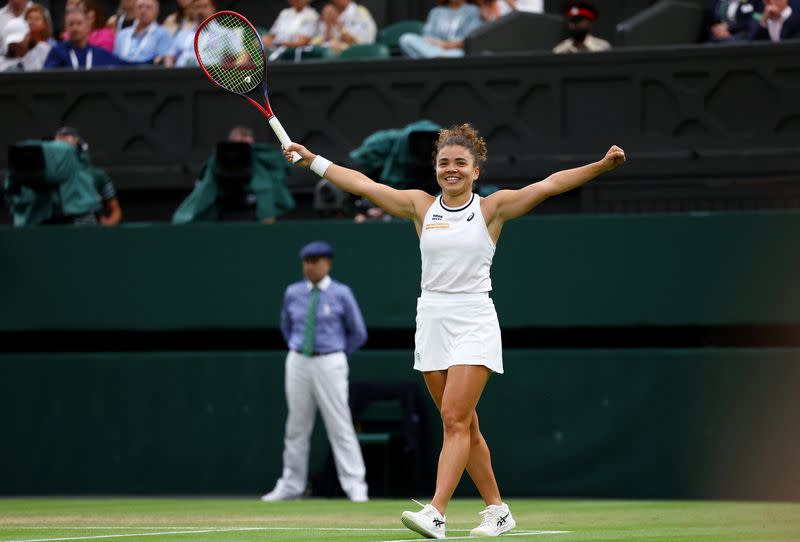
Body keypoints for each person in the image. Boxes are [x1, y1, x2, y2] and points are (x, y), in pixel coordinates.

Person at [280, 124, 626, 538]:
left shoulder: (492, 209)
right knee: (465, 425)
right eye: (444, 163)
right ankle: (497, 510)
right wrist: (311, 160)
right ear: (435, 169)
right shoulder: (420, 207)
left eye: (461, 163)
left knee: (453, 418)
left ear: (476, 170)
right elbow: (362, 184)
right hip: (431, 318)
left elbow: (549, 185)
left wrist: (602, 166)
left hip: (474, 317)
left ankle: (437, 511)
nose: (451, 169)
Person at [261, 240, 369, 503]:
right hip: (298, 360)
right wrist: (297, 348)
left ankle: (355, 486)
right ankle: (290, 485)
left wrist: (338, 354)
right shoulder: (292, 292)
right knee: (296, 425)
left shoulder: (342, 293)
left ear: (327, 263)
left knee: (340, 424)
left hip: (330, 361)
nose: (310, 266)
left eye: (315, 261)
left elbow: (358, 332)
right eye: (306, 261)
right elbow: (286, 326)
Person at [172, 125, 294, 223]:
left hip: (253, 215)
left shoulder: (261, 161)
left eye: (246, 145)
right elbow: (205, 187)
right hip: (222, 213)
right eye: (239, 143)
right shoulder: (217, 162)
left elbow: (270, 185)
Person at [54, 126, 122, 226]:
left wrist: (107, 225)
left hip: (89, 232)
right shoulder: (48, 176)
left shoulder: (97, 175)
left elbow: (116, 211)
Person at [45, 7, 128, 69]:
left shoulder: (100, 54)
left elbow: (126, 66)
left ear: (88, 27)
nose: (75, 28)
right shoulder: (57, 53)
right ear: (66, 28)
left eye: (79, 23)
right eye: (71, 24)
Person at [398, 0, 482, 58]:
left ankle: (435, 59)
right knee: (406, 39)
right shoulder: (436, 12)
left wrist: (447, 45)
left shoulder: (474, 10)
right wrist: (437, 46)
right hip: (434, 49)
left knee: (458, 54)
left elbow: (470, 39)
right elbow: (427, 36)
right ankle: (438, 58)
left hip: (457, 51)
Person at [159, 0, 215, 67]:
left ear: (213, 9)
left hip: (208, 75)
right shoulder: (182, 34)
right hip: (181, 74)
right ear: (192, 11)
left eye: (204, 6)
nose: (200, 11)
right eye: (197, 7)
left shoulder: (225, 34)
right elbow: (170, 56)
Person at [312, 0, 376, 54]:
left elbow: (358, 43)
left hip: (354, 56)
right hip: (329, 55)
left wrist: (337, 22)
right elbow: (319, 41)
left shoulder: (360, 12)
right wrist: (328, 25)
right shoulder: (328, 11)